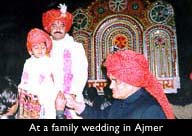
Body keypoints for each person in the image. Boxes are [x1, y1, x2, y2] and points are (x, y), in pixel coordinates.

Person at [56, 50, 175, 119]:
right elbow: (102, 117)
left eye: (115, 81)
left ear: (131, 81)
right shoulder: (121, 101)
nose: (111, 86)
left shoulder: (150, 110)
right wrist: (76, 105)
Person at [42, 3, 88, 119]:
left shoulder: (76, 47)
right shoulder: (43, 48)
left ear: (66, 28)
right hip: (49, 99)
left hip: (72, 98)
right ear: (48, 28)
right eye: (54, 25)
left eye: (61, 25)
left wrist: (73, 93)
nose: (57, 29)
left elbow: (82, 72)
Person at [18, 28, 57, 119]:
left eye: (43, 47)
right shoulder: (28, 62)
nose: (40, 50)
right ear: (31, 50)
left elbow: (46, 75)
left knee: (49, 112)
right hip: (31, 92)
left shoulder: (48, 60)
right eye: (36, 48)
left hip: (46, 90)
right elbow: (25, 77)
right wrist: (22, 87)